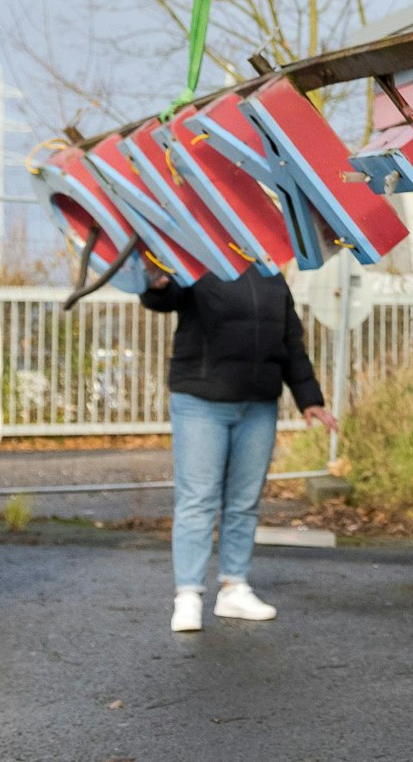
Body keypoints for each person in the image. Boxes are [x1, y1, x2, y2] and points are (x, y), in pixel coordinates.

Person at [142, 263, 337, 634]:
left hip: (258, 405)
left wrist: (309, 398)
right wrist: (156, 284)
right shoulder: (197, 264)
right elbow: (166, 298)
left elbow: (290, 342)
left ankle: (234, 588)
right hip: (201, 402)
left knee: (244, 501)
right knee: (198, 499)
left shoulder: (272, 278)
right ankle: (188, 595)